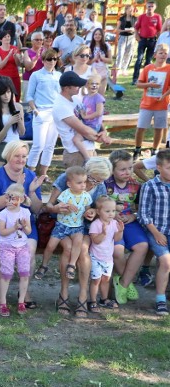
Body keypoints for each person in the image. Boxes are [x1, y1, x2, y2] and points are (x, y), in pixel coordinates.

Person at [0, 140, 46, 313]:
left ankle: (24, 293)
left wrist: (30, 192)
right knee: (2, 253)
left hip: (23, 223)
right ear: (8, 155)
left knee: (29, 251)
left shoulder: (30, 176)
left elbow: (37, 208)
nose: (21, 159)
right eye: (17, 155)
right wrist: (16, 188)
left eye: (24, 156)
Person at [44, 157, 112, 316]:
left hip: (84, 227)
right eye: (93, 179)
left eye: (99, 181)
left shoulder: (99, 185)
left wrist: (93, 212)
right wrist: (56, 209)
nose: (95, 184)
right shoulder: (67, 178)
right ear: (86, 172)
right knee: (68, 248)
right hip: (63, 225)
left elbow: (98, 210)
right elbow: (48, 205)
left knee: (82, 249)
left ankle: (83, 295)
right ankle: (64, 294)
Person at [104, 150, 149, 305]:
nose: (127, 172)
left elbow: (140, 208)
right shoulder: (105, 184)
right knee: (118, 250)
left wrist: (133, 216)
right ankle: (127, 282)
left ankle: (122, 283)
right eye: (122, 169)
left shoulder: (137, 186)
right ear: (112, 170)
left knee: (142, 245)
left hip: (129, 221)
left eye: (130, 168)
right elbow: (98, 205)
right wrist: (111, 214)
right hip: (110, 222)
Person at [40, 166, 92, 281]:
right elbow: (59, 206)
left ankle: (71, 265)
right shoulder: (65, 194)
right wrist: (66, 206)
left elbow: (87, 209)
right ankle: (44, 265)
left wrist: (88, 213)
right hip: (62, 225)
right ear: (69, 184)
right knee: (50, 246)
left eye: (84, 182)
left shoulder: (86, 196)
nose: (83, 185)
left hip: (77, 226)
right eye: (79, 183)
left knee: (78, 242)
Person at [137, 149, 170, 315]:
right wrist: (156, 233)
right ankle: (160, 299)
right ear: (158, 167)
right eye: (169, 168)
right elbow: (143, 215)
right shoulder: (149, 186)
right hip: (157, 231)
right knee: (165, 261)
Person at [53, 71, 108, 168]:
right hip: (76, 154)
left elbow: (94, 119)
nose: (79, 87)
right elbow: (82, 129)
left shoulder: (75, 100)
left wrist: (103, 131)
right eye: (76, 85)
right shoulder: (60, 106)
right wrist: (100, 138)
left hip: (89, 148)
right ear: (66, 88)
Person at [0, 183, 32, 317]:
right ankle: (3, 302)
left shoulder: (25, 212)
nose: (10, 201)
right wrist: (15, 228)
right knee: (6, 274)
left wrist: (23, 226)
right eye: (8, 198)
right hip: (7, 247)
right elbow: (2, 232)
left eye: (13, 199)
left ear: (21, 200)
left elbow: (28, 231)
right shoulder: (3, 214)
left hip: (22, 246)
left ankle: (21, 301)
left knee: (24, 273)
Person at [26, 48, 61, 178]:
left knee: (50, 145)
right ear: (43, 60)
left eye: (54, 59)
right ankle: (30, 172)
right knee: (38, 145)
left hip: (55, 113)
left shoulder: (59, 75)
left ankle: (43, 173)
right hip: (41, 111)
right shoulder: (36, 75)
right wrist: (35, 110)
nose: (52, 61)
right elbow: (29, 95)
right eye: (49, 59)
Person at [87, 196, 124, 311]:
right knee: (96, 280)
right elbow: (96, 241)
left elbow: (117, 238)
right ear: (98, 212)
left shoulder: (114, 223)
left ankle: (104, 299)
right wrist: (103, 233)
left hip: (108, 257)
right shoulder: (96, 224)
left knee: (106, 279)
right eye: (107, 211)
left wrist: (121, 231)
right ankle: (92, 300)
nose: (111, 214)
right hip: (96, 257)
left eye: (113, 211)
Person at [133, 44, 170, 159]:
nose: (163, 55)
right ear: (155, 55)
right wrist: (149, 84)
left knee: (159, 128)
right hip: (147, 104)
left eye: (165, 53)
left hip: (162, 105)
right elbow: (138, 84)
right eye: (160, 53)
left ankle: (155, 150)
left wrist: (164, 96)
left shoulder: (169, 69)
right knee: (141, 128)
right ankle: (137, 149)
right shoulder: (148, 68)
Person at [0, 76, 25, 172]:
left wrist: (19, 121)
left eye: (8, 92)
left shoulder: (18, 107)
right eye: (3, 93)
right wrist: (8, 124)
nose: (6, 96)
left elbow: (22, 132)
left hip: (15, 146)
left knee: (16, 181)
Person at [73, 73, 108, 162]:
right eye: (92, 83)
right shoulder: (85, 97)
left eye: (97, 84)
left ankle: (87, 158)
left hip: (93, 125)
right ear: (87, 85)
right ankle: (103, 138)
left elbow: (99, 112)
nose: (94, 86)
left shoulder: (99, 98)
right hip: (87, 124)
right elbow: (84, 110)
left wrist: (86, 116)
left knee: (76, 139)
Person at [133, 0, 163, 85]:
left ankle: (146, 79)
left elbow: (159, 30)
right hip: (142, 40)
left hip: (152, 41)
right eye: (149, 6)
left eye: (152, 6)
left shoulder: (157, 17)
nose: (150, 8)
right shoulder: (141, 17)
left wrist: (158, 41)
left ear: (155, 8)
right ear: (146, 7)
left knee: (148, 61)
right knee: (139, 59)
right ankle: (135, 78)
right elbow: (136, 28)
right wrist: (137, 36)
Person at [0, 32, 22, 101]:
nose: (7, 38)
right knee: (4, 97)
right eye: (5, 37)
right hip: (3, 78)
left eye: (8, 36)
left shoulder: (14, 48)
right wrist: (9, 55)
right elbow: (0, 66)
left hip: (14, 77)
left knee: (16, 98)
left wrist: (15, 57)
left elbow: (18, 64)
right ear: (0, 40)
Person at [88, 29, 112, 95]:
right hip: (93, 72)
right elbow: (87, 62)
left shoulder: (106, 46)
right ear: (93, 36)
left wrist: (102, 58)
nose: (97, 36)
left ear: (102, 36)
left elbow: (110, 61)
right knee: (92, 94)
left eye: (99, 34)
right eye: (95, 34)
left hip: (103, 72)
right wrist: (94, 59)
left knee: (101, 95)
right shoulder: (89, 46)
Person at [116, 7, 136, 77]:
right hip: (123, 37)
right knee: (120, 54)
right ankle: (117, 69)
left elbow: (136, 28)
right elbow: (117, 30)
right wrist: (125, 30)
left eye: (132, 10)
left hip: (131, 37)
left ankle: (124, 69)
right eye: (129, 10)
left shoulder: (135, 18)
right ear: (126, 10)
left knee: (128, 54)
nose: (131, 11)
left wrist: (133, 30)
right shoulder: (122, 19)